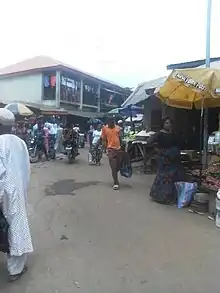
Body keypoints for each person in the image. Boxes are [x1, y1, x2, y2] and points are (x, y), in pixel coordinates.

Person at [0, 108, 33, 282]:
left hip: (4, 193)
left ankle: (15, 270)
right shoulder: (20, 143)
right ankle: (16, 267)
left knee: (9, 229)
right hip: (18, 191)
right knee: (16, 227)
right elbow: (27, 169)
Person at [148, 117, 184, 205]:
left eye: (170, 123)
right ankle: (161, 197)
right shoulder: (159, 134)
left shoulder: (173, 134)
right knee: (164, 178)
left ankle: (170, 197)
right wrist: (158, 150)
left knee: (172, 178)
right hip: (164, 159)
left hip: (174, 159)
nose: (168, 125)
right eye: (166, 123)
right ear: (163, 124)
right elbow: (149, 141)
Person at [101, 118, 123, 190]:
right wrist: (104, 149)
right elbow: (104, 139)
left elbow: (120, 138)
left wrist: (122, 147)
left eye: (113, 123)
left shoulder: (118, 128)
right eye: (111, 123)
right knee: (113, 166)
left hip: (118, 149)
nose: (112, 124)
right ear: (108, 123)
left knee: (118, 166)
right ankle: (116, 182)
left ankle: (115, 173)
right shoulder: (104, 129)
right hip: (110, 149)